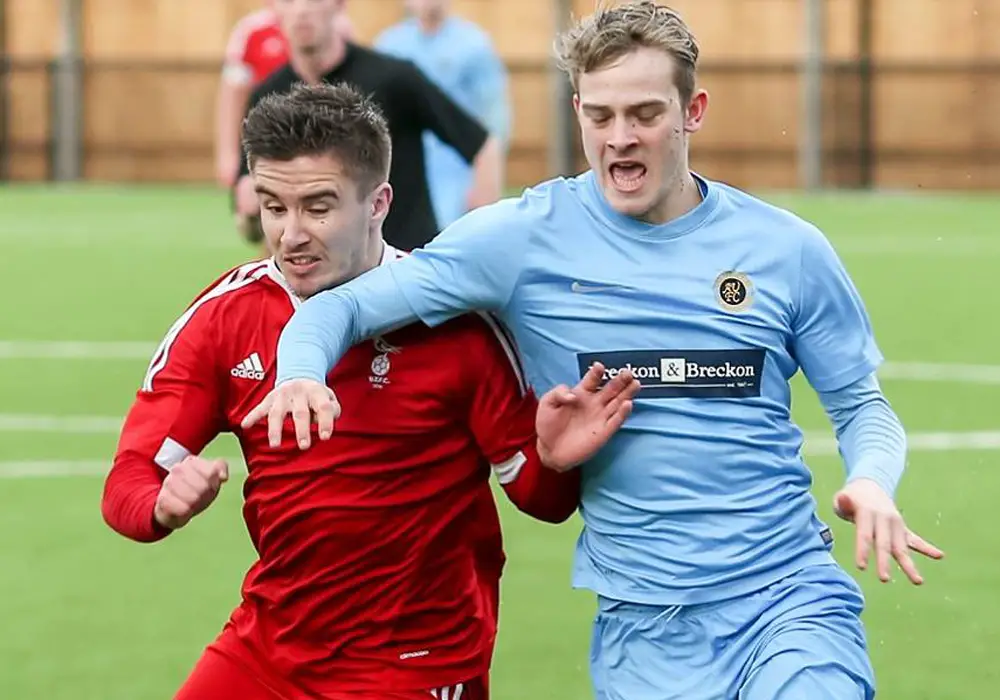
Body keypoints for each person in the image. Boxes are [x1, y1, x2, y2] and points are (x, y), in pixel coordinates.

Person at [242, 3, 947, 699]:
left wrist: (874, 480)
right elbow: (343, 304)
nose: (620, 138)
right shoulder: (521, 240)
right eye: (600, 116)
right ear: (578, 110)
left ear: (692, 110)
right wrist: (302, 373)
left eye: (644, 114)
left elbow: (861, 404)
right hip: (643, 630)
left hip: (788, 600)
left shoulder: (785, 249)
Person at [102, 83, 639, 699]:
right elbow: (129, 480)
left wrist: (553, 459)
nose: (291, 235)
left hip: (415, 663)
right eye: (274, 208)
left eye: (319, 208)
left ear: (378, 202)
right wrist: (160, 506)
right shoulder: (226, 319)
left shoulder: (457, 324)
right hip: (271, 647)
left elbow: (541, 499)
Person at [231, 0, 503, 254]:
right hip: (324, 277)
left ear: (339, 5)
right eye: (289, 0)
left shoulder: (393, 78)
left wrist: (480, 229)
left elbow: (482, 146)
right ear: (273, 8)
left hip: (404, 266)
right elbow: (251, 222)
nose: (302, 9)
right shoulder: (268, 96)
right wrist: (250, 213)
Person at [375, 0, 511, 229]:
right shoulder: (390, 46)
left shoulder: (473, 45)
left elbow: (494, 116)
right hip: (405, 170)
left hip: (457, 168)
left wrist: (485, 180)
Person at [215, 0, 357, 188]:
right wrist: (228, 154)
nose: (301, 10)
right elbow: (233, 93)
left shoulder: (338, 28)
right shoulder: (252, 31)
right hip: (273, 135)